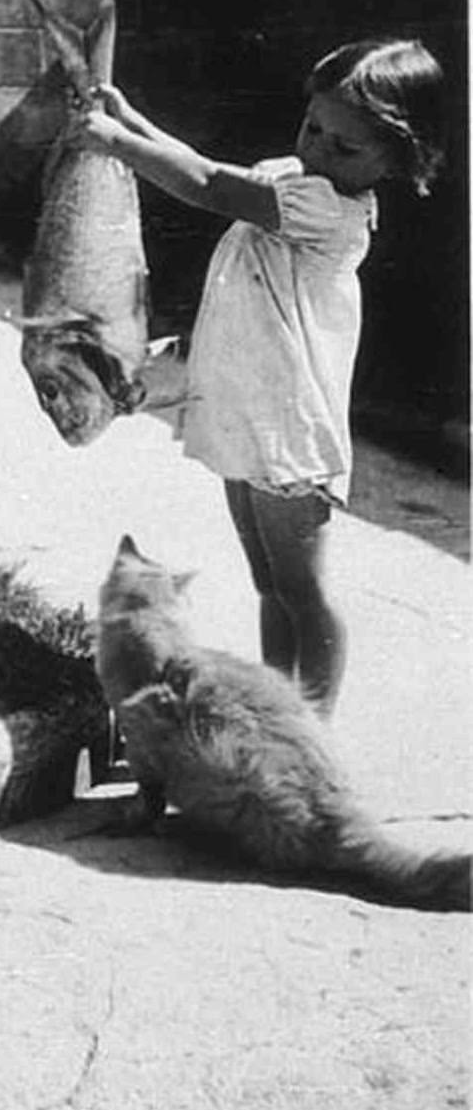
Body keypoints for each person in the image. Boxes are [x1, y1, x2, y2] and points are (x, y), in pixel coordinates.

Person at [82, 39, 445, 718]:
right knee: (268, 584)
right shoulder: (295, 179)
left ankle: (312, 730)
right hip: (246, 414)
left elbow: (207, 186)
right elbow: (209, 168)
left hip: (286, 429)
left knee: (301, 590)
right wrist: (131, 120)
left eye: (345, 148)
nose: (317, 152)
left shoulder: (328, 212)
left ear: (396, 159)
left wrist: (115, 144)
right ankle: (272, 704)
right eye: (313, 128)